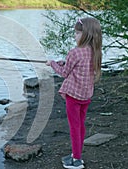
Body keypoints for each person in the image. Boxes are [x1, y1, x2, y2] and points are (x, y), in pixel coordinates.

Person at [46, 17, 102, 169]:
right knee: (80, 125)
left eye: (77, 33)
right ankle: (76, 154)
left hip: (73, 96)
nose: (75, 36)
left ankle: (76, 160)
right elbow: (79, 67)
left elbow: (64, 73)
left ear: (86, 34)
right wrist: (64, 63)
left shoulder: (75, 52)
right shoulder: (95, 51)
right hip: (86, 96)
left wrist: (52, 64)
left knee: (74, 127)